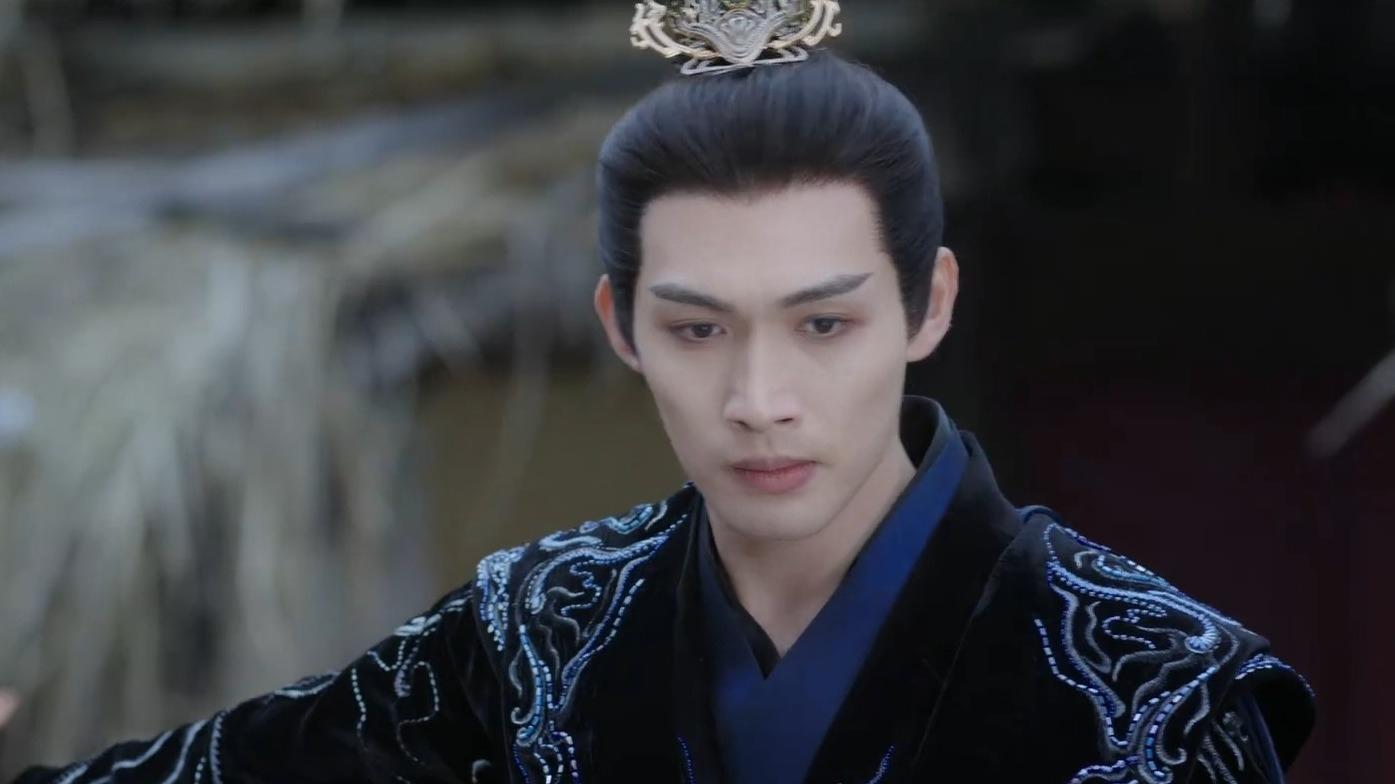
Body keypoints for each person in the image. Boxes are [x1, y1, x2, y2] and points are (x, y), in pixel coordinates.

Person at [12, 2, 1313, 782]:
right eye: (697, 329)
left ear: (929, 306)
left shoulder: (1151, 687)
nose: (758, 396)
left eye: (823, 323)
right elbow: (260, 765)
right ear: (620, 327)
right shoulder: (539, 631)